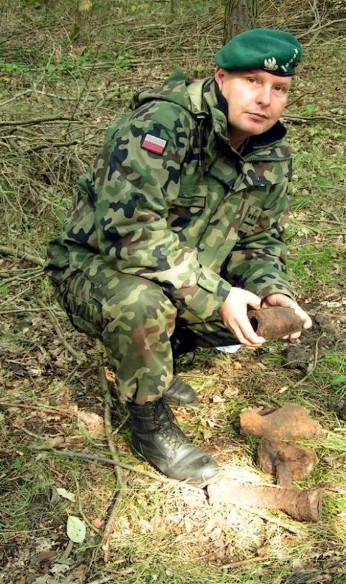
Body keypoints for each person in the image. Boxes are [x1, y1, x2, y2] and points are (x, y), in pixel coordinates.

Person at [45, 28, 312, 483]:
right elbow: (128, 232)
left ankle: (159, 366)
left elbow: (259, 241)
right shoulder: (163, 124)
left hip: (177, 270)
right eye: (251, 81)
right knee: (144, 305)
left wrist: (271, 291)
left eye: (279, 89)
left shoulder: (271, 152)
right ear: (220, 78)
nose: (265, 99)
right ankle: (149, 423)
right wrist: (216, 293)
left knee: (247, 315)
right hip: (92, 264)